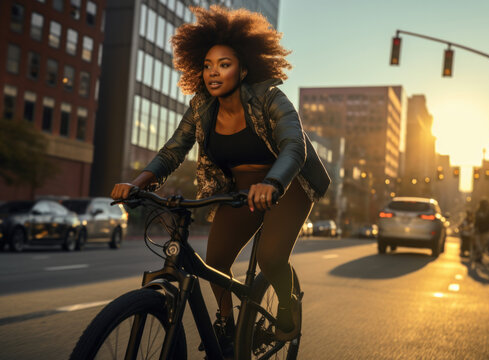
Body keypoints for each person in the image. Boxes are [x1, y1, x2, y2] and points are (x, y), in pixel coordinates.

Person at [110, 5, 330, 355]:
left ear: (243, 69)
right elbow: (173, 150)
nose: (213, 73)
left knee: (271, 258)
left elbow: (294, 146)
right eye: (207, 65)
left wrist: (272, 184)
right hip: (240, 192)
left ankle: (287, 307)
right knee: (214, 262)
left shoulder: (270, 97)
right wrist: (139, 182)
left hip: (287, 186)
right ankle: (225, 325)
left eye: (223, 65)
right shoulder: (201, 106)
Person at [473, 199, 489, 265]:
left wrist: (475, 229)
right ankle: (488, 258)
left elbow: (476, 222)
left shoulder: (479, 211)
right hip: (486, 231)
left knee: (482, 245)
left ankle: (480, 257)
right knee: (487, 245)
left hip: (483, 231)